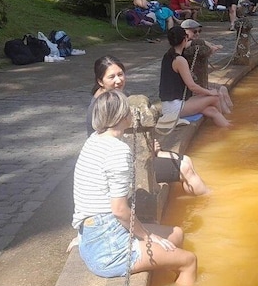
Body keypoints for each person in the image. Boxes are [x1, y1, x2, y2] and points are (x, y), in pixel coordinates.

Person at [73, 90, 197, 286]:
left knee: (178, 234)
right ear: (123, 116)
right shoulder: (118, 150)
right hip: (109, 247)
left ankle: (166, 283)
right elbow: (119, 210)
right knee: (190, 261)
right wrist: (148, 236)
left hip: (93, 234)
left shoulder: (93, 140)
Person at [86, 56, 209, 196]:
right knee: (185, 168)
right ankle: (209, 200)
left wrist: (151, 146)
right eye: (111, 77)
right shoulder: (100, 108)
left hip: (133, 152)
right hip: (121, 163)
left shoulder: (119, 96)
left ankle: (199, 201)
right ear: (100, 81)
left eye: (120, 74)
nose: (118, 80)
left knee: (186, 160)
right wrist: (150, 150)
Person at [160, 26, 231, 128]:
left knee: (212, 111)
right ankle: (227, 121)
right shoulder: (180, 60)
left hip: (173, 104)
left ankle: (227, 127)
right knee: (215, 98)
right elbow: (192, 86)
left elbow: (192, 43)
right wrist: (210, 92)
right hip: (174, 107)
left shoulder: (168, 55)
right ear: (185, 39)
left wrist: (209, 45)